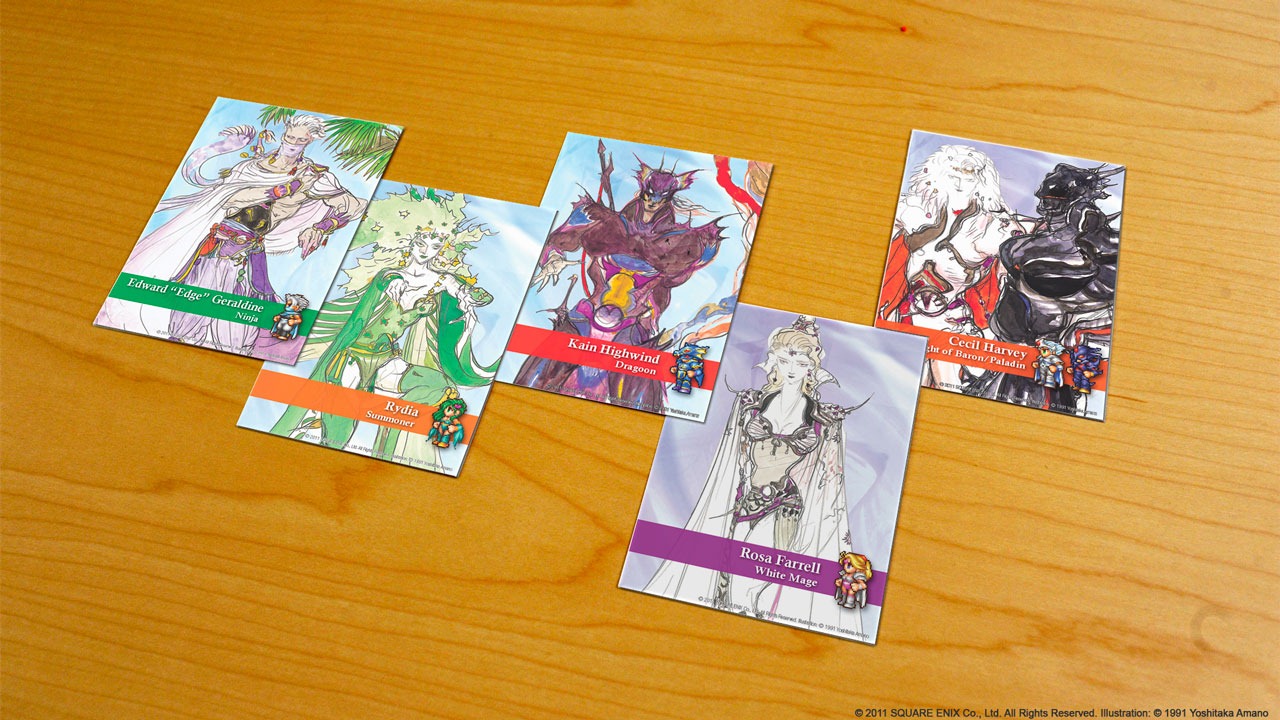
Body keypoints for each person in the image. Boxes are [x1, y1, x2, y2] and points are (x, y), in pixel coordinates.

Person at [644, 316, 872, 636]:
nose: (791, 368)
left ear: (811, 367)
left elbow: (828, 479)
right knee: (724, 577)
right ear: (774, 360)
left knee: (750, 583)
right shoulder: (750, 404)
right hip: (743, 501)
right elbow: (730, 457)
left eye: (801, 361)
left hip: (784, 507)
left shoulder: (822, 418)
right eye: (785, 359)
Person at [97, 114, 366, 355]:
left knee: (242, 316)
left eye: (300, 140)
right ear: (283, 134)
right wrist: (279, 189)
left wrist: (321, 227)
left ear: (309, 142)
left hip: (249, 248)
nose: (292, 144)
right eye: (289, 137)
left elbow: (353, 206)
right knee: (191, 301)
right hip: (217, 242)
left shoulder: (313, 176)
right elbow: (230, 198)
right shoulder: (252, 166)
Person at [514, 144, 725, 411]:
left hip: (631, 323)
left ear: (668, 200)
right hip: (590, 313)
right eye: (649, 196)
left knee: (640, 395)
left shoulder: (682, 242)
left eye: (659, 199)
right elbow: (562, 239)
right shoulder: (605, 222)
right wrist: (552, 255)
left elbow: (682, 271)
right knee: (536, 377)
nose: (652, 203)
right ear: (642, 192)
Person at [271, 227, 494, 469]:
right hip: (353, 357)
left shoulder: (440, 281)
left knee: (438, 384)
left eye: (434, 247)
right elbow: (386, 280)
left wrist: (470, 296)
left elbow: (468, 292)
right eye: (421, 243)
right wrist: (393, 281)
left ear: (440, 251)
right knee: (340, 428)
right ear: (411, 242)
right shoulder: (390, 275)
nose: (425, 251)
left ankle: (391, 429)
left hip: (388, 360)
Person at [878, 145, 1029, 389]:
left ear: (980, 182)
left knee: (949, 382)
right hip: (908, 312)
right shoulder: (914, 208)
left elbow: (1019, 240)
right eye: (953, 176)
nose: (960, 184)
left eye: (968, 179)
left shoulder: (991, 219)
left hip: (955, 318)